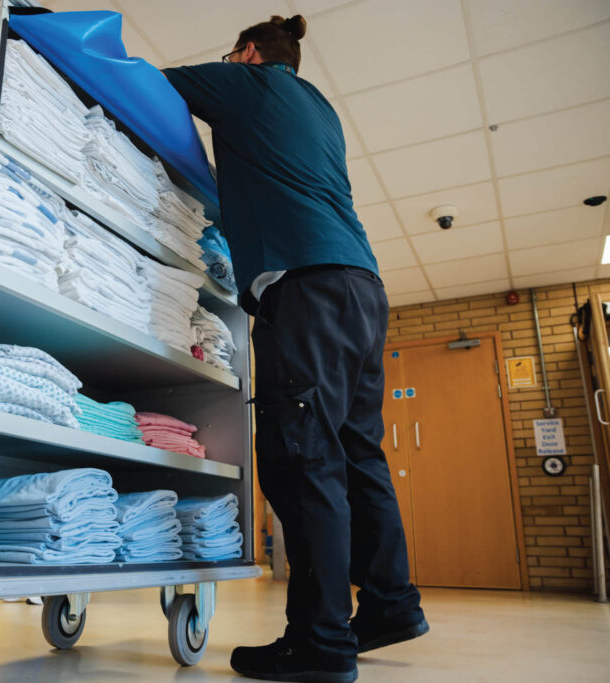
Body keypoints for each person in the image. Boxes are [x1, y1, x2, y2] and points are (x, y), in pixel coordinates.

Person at [162, 15, 428, 683]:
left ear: (249, 53)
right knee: (357, 452)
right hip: (362, 290)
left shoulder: (248, 84)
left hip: (306, 290)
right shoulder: (320, 111)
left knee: (305, 462)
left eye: (232, 54)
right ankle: (391, 603)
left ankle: (321, 643)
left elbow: (150, 85)